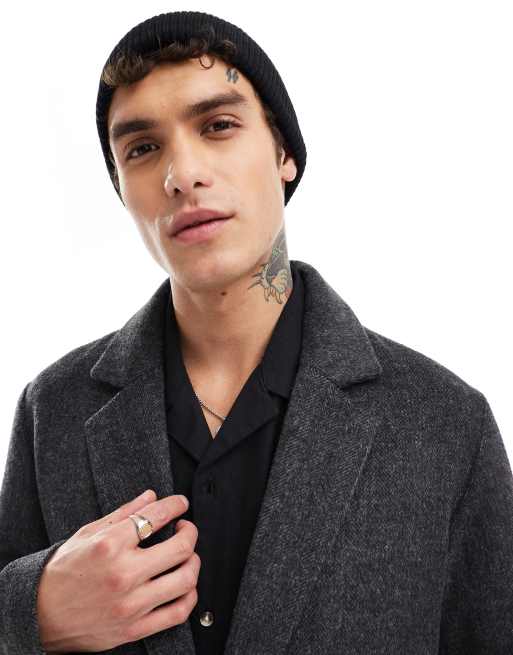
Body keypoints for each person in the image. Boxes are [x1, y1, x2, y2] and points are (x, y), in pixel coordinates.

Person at [1, 10, 512, 655]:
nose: (181, 174)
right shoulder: (53, 409)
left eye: (218, 126)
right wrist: (30, 614)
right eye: (142, 148)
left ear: (284, 154)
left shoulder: (445, 424)